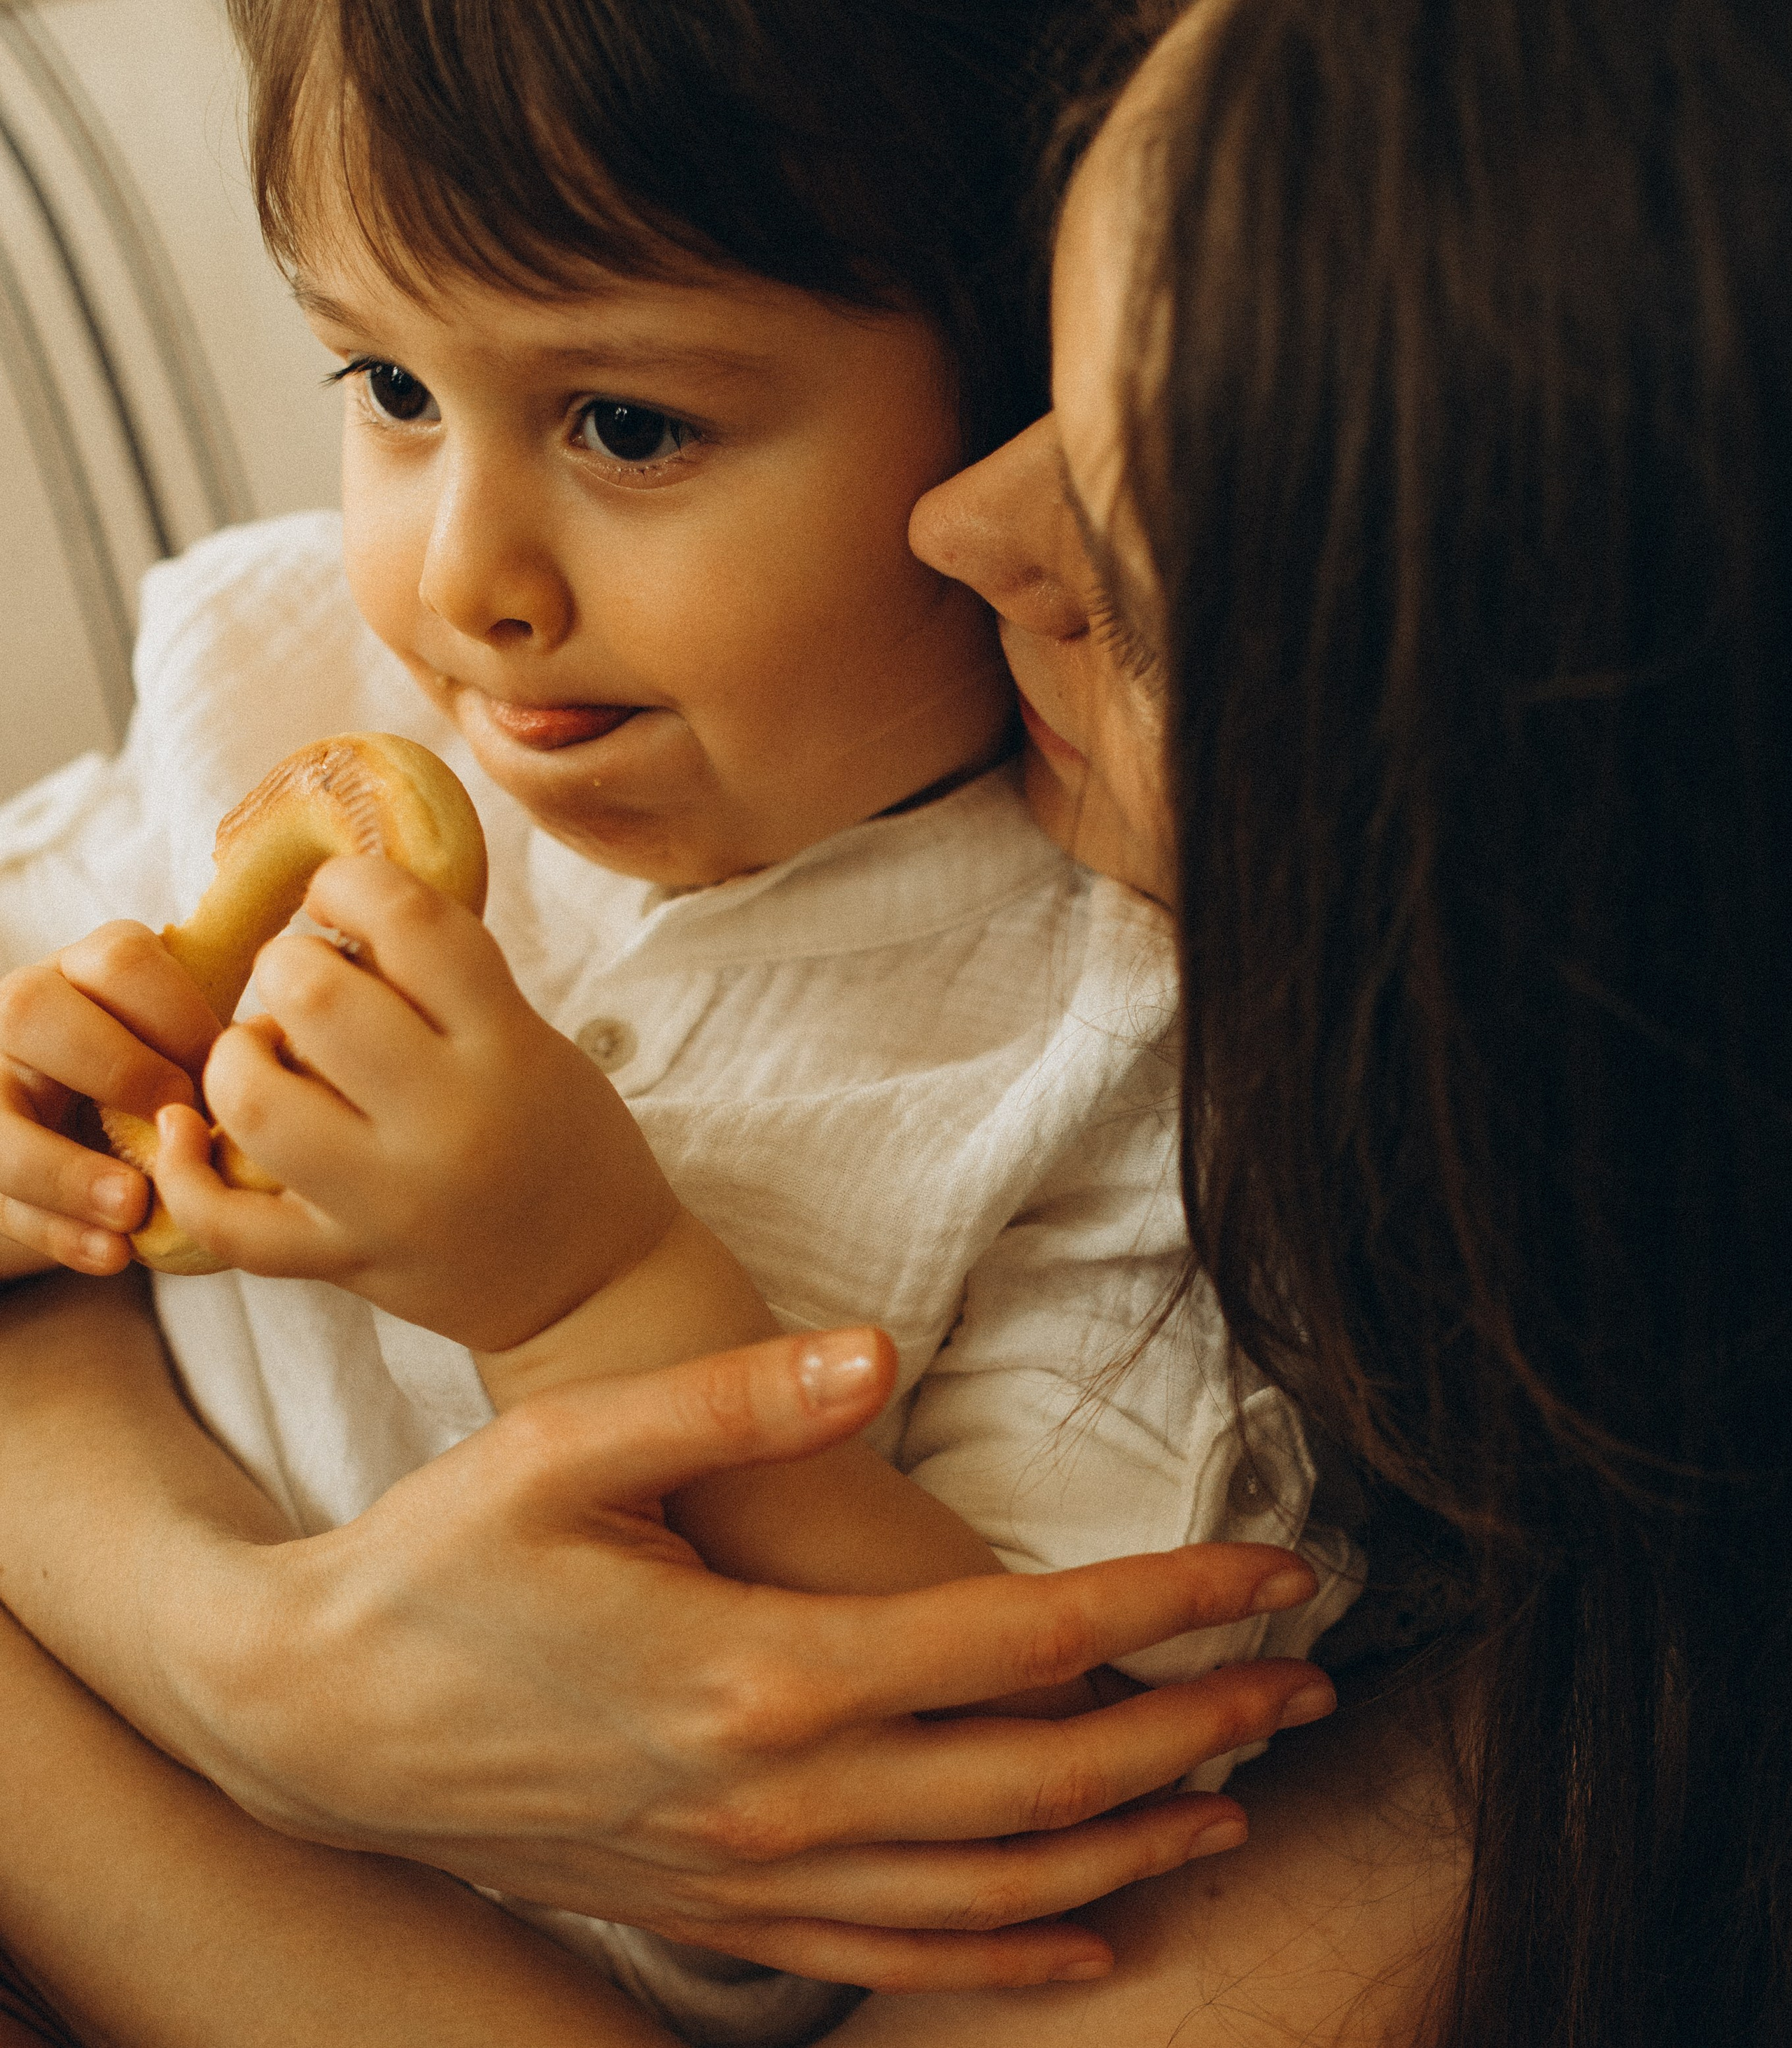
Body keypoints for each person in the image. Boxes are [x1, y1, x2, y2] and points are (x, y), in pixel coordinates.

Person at [10, 0, 1785, 2038]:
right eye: (392, 385)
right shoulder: (290, 682)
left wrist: (588, 1290)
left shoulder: (1135, 1057)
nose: (459, 572)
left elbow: (1041, 1768)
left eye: (629, 425)